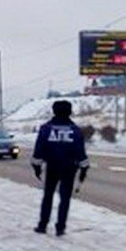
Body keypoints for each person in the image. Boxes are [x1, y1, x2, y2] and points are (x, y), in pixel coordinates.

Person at [32, 100, 89, 236]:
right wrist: (84, 169)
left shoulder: (46, 129)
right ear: (70, 112)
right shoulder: (75, 130)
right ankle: (60, 227)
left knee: (48, 196)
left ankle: (42, 225)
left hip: (52, 166)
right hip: (69, 168)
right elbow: (80, 152)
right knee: (65, 198)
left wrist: (37, 167)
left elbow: (39, 150)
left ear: (54, 111)